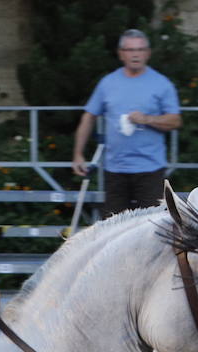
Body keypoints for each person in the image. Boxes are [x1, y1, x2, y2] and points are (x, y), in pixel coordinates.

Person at [71, 28, 182, 216]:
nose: (135, 54)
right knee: (113, 228)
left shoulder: (161, 83)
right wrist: (78, 155)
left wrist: (147, 119)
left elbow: (175, 120)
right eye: (130, 50)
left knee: (152, 226)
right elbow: (89, 116)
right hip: (115, 169)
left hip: (150, 169)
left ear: (148, 53)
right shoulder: (108, 83)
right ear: (121, 54)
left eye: (140, 49)